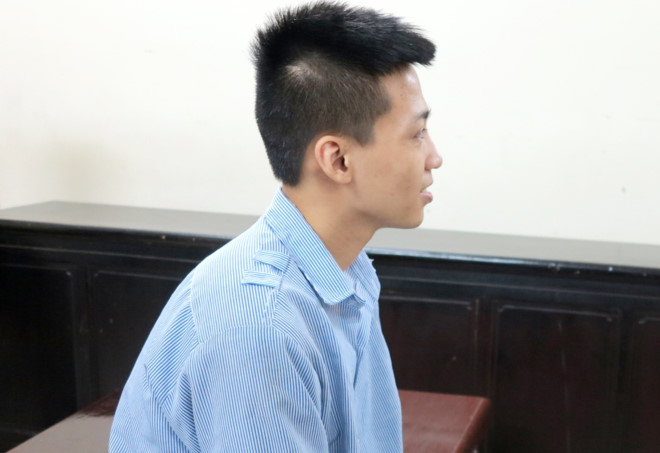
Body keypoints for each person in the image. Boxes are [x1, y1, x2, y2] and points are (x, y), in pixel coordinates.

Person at [109, 1, 442, 451]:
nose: (434, 157)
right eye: (416, 134)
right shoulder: (259, 330)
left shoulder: (348, 269)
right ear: (338, 160)